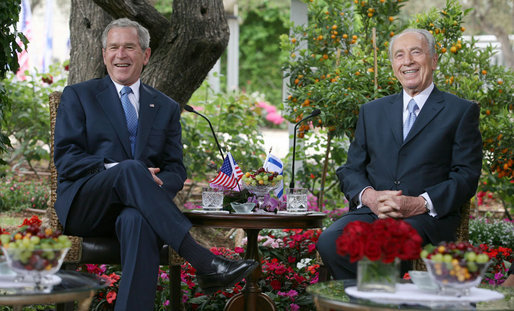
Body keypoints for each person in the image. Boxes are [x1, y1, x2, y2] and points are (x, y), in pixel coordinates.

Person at [54, 18, 257, 310]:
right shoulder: (80, 96)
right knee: (130, 168)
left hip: (138, 209)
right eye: (113, 47)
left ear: (146, 55)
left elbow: (175, 169)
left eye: (129, 47)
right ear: (103, 54)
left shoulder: (165, 107)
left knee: (136, 219)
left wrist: (156, 186)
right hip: (86, 206)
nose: (120, 55)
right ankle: (202, 260)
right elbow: (66, 159)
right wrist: (122, 171)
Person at [316, 28, 483, 280]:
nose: (407, 62)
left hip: (424, 218)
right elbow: (351, 169)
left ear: (434, 60)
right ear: (393, 64)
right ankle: (370, 304)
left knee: (384, 247)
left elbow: (466, 176)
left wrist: (420, 203)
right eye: (399, 55)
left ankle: (369, 303)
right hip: (371, 212)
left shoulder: (460, 111)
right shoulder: (372, 111)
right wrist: (370, 197)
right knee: (330, 240)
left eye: (416, 52)